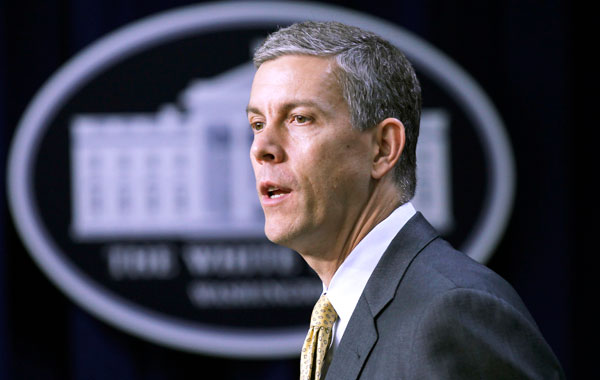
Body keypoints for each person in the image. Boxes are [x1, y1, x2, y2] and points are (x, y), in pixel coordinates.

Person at [247, 21, 564, 380]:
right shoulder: (341, 315)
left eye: (300, 118)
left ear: (383, 148)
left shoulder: (452, 313)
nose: (262, 148)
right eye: (257, 124)